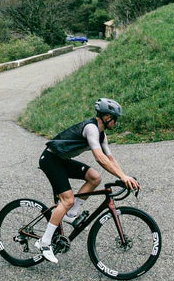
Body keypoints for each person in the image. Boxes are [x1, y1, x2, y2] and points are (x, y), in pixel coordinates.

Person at [34, 97, 140, 263]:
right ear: (106, 117)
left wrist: (125, 176)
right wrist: (122, 177)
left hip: (62, 160)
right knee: (67, 199)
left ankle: (70, 214)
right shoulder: (91, 128)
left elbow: (110, 159)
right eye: (115, 119)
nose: (116, 123)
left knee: (94, 177)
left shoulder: (102, 135)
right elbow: (99, 157)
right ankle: (44, 242)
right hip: (51, 159)